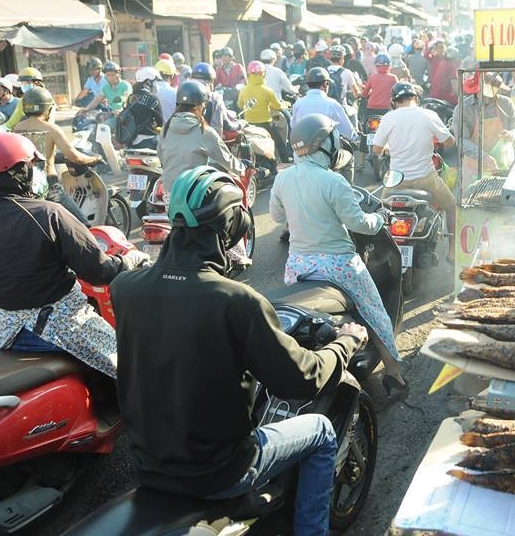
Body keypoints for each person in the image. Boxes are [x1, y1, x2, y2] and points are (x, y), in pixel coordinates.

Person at [113, 165, 365, 535]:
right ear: (232, 225)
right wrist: (346, 341)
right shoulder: (237, 301)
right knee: (322, 432)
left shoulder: (126, 287)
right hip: (220, 472)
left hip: (148, 466)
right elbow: (302, 381)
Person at [0, 133, 149, 377]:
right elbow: (99, 272)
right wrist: (128, 262)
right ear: (20, 172)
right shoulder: (49, 213)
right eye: (32, 165)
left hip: (9, 335)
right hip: (61, 329)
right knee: (137, 370)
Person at [271, 114, 406, 394]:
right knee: (373, 310)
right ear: (324, 144)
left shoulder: (283, 178)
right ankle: (394, 374)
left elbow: (275, 215)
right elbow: (358, 223)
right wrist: (380, 218)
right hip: (338, 264)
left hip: (298, 264)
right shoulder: (333, 181)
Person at [372, 82, 456, 260]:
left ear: (394, 101)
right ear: (416, 98)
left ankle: (376, 251)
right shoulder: (428, 115)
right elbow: (450, 142)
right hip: (425, 178)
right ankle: (452, 251)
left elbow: (376, 150)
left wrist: (389, 147)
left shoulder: (388, 118)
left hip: (396, 181)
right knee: (451, 205)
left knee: (379, 211)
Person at [12, 87, 99, 225]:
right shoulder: (52, 129)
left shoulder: (16, 128)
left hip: (23, 186)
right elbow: (75, 157)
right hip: (48, 186)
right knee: (83, 225)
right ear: (47, 108)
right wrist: (95, 158)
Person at [158, 80, 243, 197]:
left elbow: (161, 158)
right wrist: (243, 168)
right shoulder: (204, 131)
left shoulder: (166, 128)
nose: (204, 107)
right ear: (198, 106)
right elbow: (225, 159)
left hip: (169, 194)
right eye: (203, 104)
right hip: (194, 194)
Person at [452, 72, 515, 180]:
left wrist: (511, 134)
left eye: (496, 88)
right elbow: (461, 140)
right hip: (474, 169)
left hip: (502, 166)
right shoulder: (463, 109)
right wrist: (483, 156)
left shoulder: (506, 104)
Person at [237, 60, 288, 169]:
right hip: (266, 124)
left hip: (249, 125)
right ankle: (285, 163)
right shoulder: (267, 90)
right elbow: (278, 106)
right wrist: (285, 105)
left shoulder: (243, 90)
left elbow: (240, 105)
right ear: (263, 74)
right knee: (280, 144)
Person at [120, 67, 166, 150]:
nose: (156, 84)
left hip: (130, 142)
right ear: (148, 82)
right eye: (155, 81)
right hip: (148, 141)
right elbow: (161, 123)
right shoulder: (153, 99)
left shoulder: (131, 97)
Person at [192, 62, 243, 136]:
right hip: (207, 142)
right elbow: (226, 124)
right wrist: (239, 125)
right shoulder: (214, 98)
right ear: (211, 81)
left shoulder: (182, 94)